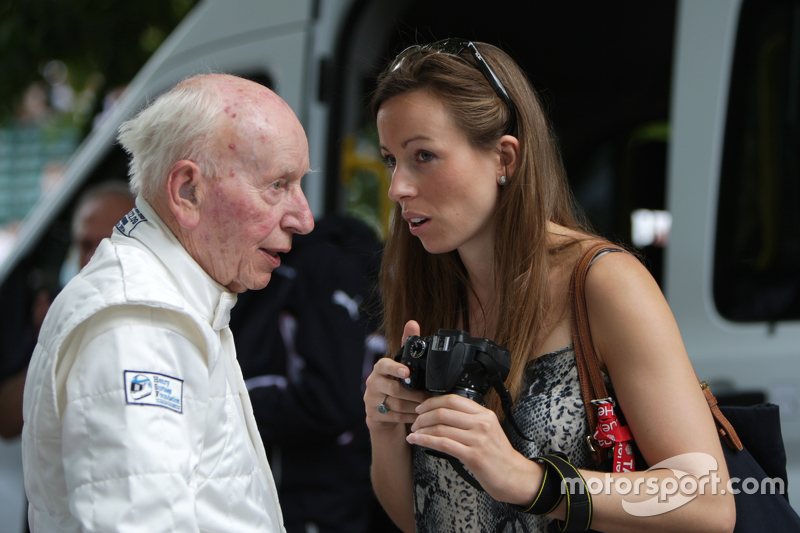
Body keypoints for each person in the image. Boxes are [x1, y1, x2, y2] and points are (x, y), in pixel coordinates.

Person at [363, 40, 736, 533]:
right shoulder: (427, 288)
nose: (398, 189)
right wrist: (384, 429)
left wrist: (533, 482)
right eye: (391, 160)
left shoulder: (603, 282)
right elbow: (420, 519)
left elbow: (707, 502)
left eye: (424, 156)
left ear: (505, 158)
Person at [22, 73, 314, 532]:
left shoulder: (164, 305)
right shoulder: (139, 324)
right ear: (186, 191)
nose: (305, 218)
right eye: (278, 185)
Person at [230, 214, 397, 533]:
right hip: (353, 486)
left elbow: (330, 400)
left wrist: (234, 405)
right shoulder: (358, 266)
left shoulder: (315, 268)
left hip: (312, 494)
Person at [0, 180, 134, 440]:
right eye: (86, 245)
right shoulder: (55, 309)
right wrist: (54, 348)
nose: (93, 258)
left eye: (109, 244)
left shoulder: (171, 307)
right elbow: (7, 422)